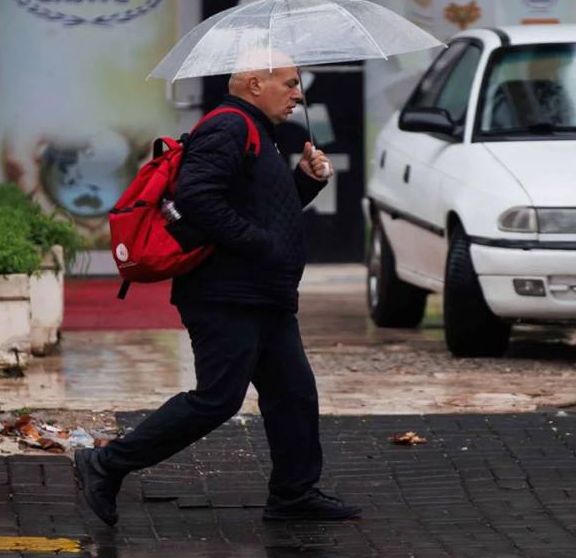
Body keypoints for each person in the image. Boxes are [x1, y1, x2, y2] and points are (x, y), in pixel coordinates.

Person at [75, 62, 362, 526]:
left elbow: (263, 209)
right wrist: (262, 245)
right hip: (226, 294)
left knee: (293, 393)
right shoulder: (228, 127)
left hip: (261, 293)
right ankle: (106, 464)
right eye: (290, 85)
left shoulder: (256, 131)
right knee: (217, 399)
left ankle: (294, 493)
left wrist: (305, 181)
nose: (297, 95)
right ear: (255, 84)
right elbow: (197, 200)